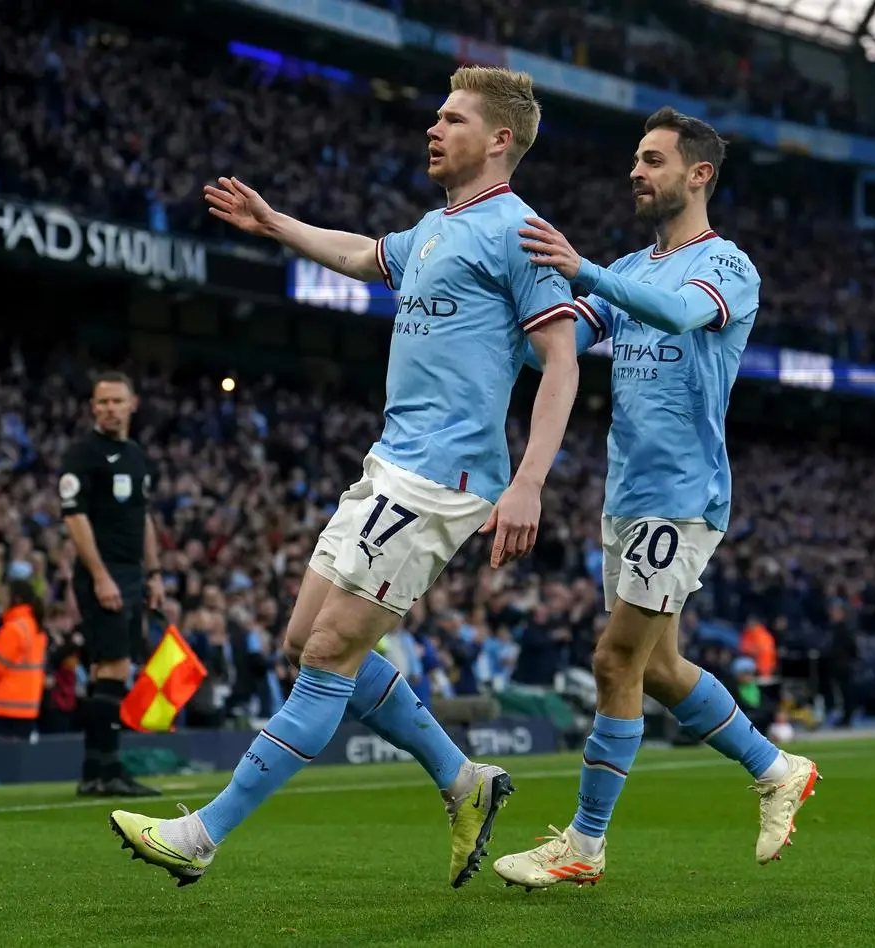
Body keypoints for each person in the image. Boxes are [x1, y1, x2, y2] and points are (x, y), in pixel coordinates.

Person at [108, 65, 580, 889]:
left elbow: (561, 362)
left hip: (446, 475)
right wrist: (272, 222)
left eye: (452, 119)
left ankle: (202, 833)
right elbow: (365, 254)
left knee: (328, 652)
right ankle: (463, 779)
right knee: (303, 641)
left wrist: (531, 481)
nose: (432, 129)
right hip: (390, 463)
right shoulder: (435, 227)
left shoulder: (521, 232)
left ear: (500, 140)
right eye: (435, 116)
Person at [491, 106, 820, 890]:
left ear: (697, 174)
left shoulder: (729, 266)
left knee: (613, 660)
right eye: (636, 161)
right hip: (627, 495)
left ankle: (585, 843)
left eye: (652, 160)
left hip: (683, 495)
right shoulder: (630, 267)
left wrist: (584, 271)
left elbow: (676, 312)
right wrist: (504, 311)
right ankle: (777, 768)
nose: (635, 173)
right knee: (661, 668)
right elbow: (563, 338)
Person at [60, 371, 165, 797]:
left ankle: (95, 771)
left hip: (131, 573)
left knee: (106, 669)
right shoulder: (82, 453)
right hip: (102, 573)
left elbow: (143, 518)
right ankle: (109, 770)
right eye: (102, 402)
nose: (109, 409)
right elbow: (74, 517)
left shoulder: (136, 456)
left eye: (117, 401)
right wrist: (101, 576)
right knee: (115, 667)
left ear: (132, 404)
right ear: (92, 407)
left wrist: (154, 574)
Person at [0, 580, 49, 740]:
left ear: (15, 599)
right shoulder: (35, 627)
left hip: (3, 706)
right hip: (27, 706)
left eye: (3, 595)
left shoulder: (13, 629)